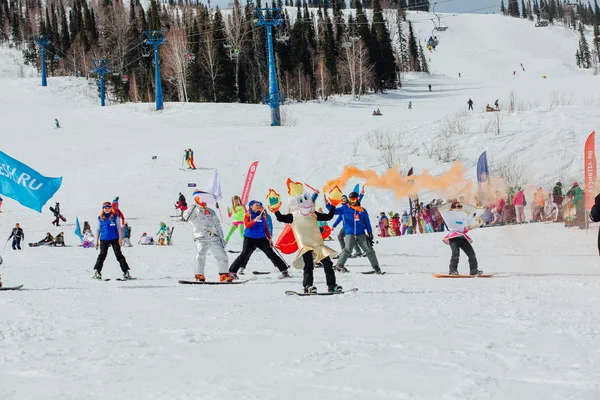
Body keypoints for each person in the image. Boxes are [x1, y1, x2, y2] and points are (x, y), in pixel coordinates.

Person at [274, 189, 341, 294]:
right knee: (308, 265)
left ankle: (332, 285)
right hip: (305, 246)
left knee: (328, 264)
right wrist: (275, 209)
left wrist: (333, 205)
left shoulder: (313, 213)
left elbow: (328, 217)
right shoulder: (293, 216)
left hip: (318, 244)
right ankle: (308, 286)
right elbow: (280, 218)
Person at [229, 200, 289, 279]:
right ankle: (232, 271)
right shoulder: (248, 215)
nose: (258, 206)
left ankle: (284, 270)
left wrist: (269, 238)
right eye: (256, 205)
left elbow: (265, 227)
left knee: (271, 254)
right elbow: (247, 225)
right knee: (244, 255)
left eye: (259, 205)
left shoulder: (262, 214)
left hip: (261, 238)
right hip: (249, 238)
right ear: (251, 206)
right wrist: (254, 220)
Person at [183, 191, 230, 282]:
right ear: (197, 199)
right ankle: (199, 274)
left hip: (214, 236)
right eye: (202, 199)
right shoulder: (193, 210)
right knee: (201, 254)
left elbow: (218, 225)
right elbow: (186, 217)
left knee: (222, 255)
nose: (205, 201)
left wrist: (222, 238)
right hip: (201, 236)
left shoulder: (211, 211)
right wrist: (193, 205)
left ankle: (223, 274)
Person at [330, 191, 381, 274]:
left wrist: (370, 232)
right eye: (351, 200)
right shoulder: (345, 208)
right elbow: (333, 211)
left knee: (369, 250)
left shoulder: (362, 210)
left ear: (357, 199)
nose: (352, 201)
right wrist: (329, 204)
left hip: (360, 233)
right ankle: (339, 265)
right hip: (349, 232)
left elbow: (367, 222)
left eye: (354, 200)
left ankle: (376, 267)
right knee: (347, 249)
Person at [440, 200, 482, 276]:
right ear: (453, 208)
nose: (459, 208)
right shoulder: (450, 215)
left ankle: (474, 270)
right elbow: (443, 212)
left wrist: (474, 215)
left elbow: (466, 223)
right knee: (455, 254)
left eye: (460, 206)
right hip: (454, 237)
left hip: (462, 237)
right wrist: (450, 211)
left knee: (471, 254)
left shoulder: (462, 215)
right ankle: (453, 270)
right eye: (457, 206)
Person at [93, 201, 131, 280]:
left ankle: (126, 271)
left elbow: (118, 228)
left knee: (119, 255)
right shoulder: (100, 218)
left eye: (109, 208)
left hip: (114, 238)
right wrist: (96, 241)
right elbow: (98, 230)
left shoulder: (115, 216)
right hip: (104, 238)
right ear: (103, 209)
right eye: (105, 208)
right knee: (102, 255)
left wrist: (120, 239)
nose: (107, 209)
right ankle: (97, 271)